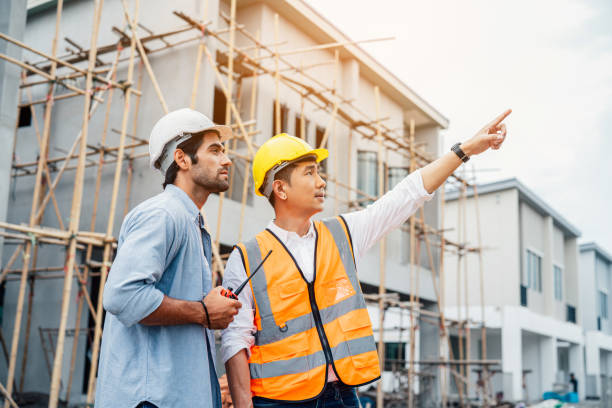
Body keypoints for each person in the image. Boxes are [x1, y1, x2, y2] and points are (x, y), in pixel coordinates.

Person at [222, 110, 511, 408]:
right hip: (279, 402)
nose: (321, 181)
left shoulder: (343, 234)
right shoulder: (246, 258)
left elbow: (407, 194)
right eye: (309, 173)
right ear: (280, 188)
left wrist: (464, 151)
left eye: (319, 171)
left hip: (343, 396)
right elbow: (235, 342)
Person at [95, 108, 242, 408]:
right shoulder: (163, 215)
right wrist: (203, 311)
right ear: (182, 159)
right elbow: (122, 296)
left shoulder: (188, 220)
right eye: (215, 150)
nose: (227, 160)